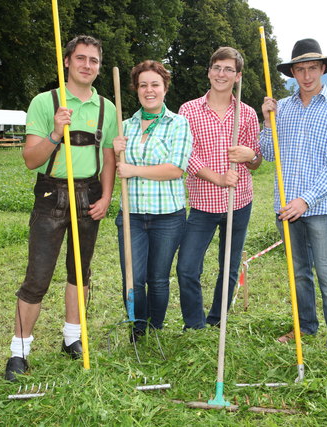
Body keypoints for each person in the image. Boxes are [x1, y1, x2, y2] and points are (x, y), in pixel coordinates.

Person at [4, 35, 118, 381]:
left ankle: (72, 338)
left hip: (89, 195)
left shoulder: (107, 109)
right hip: (52, 195)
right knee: (37, 277)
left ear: (98, 67)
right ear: (67, 61)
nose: (87, 65)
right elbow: (29, 159)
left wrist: (106, 197)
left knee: (79, 274)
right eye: (81, 58)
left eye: (93, 60)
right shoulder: (45, 102)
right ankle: (19, 351)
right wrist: (55, 133)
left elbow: (109, 157)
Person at [259, 38, 327, 355]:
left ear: (323, 69)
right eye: (301, 69)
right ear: (293, 73)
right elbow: (269, 153)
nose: (307, 75)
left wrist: (306, 200)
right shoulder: (281, 109)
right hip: (286, 207)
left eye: (313, 68)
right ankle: (306, 327)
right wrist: (266, 119)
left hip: (321, 208)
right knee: (299, 274)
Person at [176, 47, 262, 330]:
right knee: (187, 267)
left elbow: (257, 160)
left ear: (237, 76)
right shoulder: (188, 110)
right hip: (202, 203)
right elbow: (186, 154)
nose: (221, 74)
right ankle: (194, 324)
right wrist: (217, 178)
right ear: (209, 71)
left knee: (229, 267)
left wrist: (249, 155)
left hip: (239, 203)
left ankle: (216, 321)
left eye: (228, 69)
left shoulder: (247, 114)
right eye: (216, 67)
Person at [113, 60, 192, 340]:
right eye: (143, 84)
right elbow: (115, 167)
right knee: (133, 278)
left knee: (158, 278)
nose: (149, 90)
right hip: (132, 215)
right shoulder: (123, 127)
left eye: (155, 84)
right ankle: (137, 328)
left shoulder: (178, 124)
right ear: (136, 89)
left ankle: (155, 327)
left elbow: (174, 169)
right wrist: (114, 150)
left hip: (168, 217)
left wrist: (133, 169)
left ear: (165, 88)